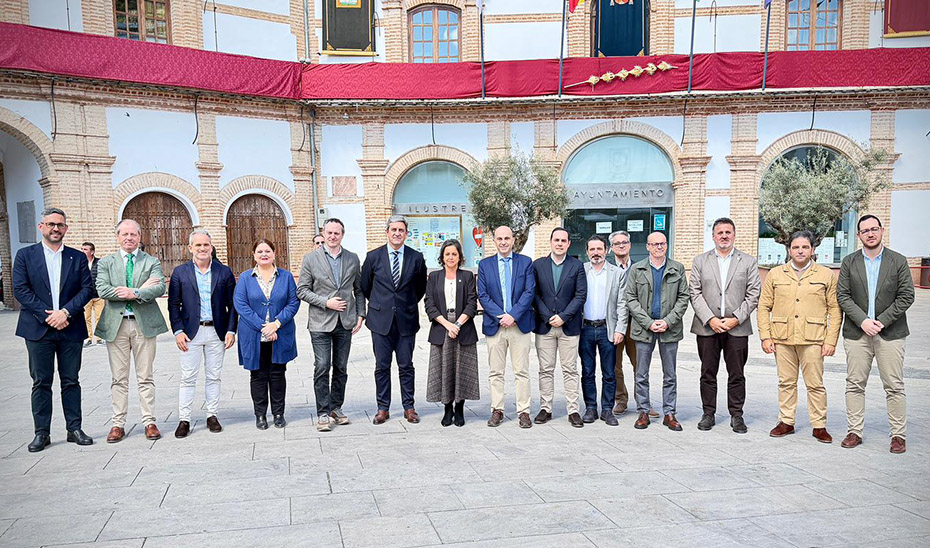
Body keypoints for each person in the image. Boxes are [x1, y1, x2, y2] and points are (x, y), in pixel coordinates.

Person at [14, 208, 95, 452]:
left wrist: (66, 312)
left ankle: (74, 428)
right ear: (41, 227)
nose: (55, 229)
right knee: (41, 382)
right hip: (38, 329)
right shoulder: (25, 256)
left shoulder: (77, 257)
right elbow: (20, 289)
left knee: (71, 380)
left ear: (66, 228)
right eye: (51, 224)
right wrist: (48, 315)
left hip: (70, 327)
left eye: (60, 225)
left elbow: (86, 289)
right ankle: (42, 433)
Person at [837, 215, 914, 454]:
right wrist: (863, 321)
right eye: (865, 231)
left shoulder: (898, 261)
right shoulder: (849, 262)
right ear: (858, 235)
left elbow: (906, 296)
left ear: (881, 231)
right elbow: (843, 296)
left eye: (874, 229)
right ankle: (854, 431)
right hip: (857, 333)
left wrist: (880, 322)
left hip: (890, 333)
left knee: (894, 385)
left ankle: (898, 435)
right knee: (854, 384)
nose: (870, 234)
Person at [758, 230, 841, 444]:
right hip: (782, 338)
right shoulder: (776, 274)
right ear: (789, 250)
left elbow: (834, 309)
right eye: (796, 247)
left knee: (815, 384)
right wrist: (765, 337)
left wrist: (830, 340)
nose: (800, 250)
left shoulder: (825, 275)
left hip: (813, 339)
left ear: (812, 250)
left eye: (805, 247)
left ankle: (819, 425)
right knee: (786, 382)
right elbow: (763, 306)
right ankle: (786, 421)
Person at [96, 219, 167, 443]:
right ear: (118, 236)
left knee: (145, 376)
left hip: (143, 324)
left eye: (133, 234)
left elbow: (159, 287)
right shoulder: (106, 263)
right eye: (124, 234)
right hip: (116, 326)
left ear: (139, 237)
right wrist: (136, 291)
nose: (129, 238)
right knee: (119, 378)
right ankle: (118, 424)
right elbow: (102, 288)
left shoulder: (151, 261)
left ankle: (149, 421)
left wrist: (134, 292)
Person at [689, 218, 761, 434]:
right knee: (708, 372)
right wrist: (710, 319)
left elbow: (754, 293)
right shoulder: (700, 261)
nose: (724, 236)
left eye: (728, 232)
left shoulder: (747, 262)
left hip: (736, 327)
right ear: (713, 236)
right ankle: (708, 413)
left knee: (736, 374)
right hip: (707, 327)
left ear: (734, 235)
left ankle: (737, 415)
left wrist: (736, 318)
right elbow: (695, 292)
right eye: (720, 232)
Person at [167, 230, 238, 438]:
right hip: (190, 334)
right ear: (190, 248)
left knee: (214, 376)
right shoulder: (180, 272)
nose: (202, 249)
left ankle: (212, 415)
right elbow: (173, 304)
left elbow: (233, 305)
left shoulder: (223, 272)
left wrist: (231, 330)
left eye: (206, 245)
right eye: (198, 245)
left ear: (211, 247)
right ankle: (184, 419)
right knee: (188, 377)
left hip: (217, 332)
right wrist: (178, 330)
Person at [297, 218, 365, 432]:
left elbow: (359, 290)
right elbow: (302, 290)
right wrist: (326, 302)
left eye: (337, 233)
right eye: (329, 233)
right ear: (323, 234)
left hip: (345, 322)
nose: (333, 236)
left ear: (342, 235)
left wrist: (360, 314)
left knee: (341, 368)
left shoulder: (353, 258)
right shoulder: (310, 259)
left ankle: (336, 407)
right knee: (322, 366)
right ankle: (323, 412)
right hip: (320, 323)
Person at [361, 215, 428, 424]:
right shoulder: (373, 257)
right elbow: (365, 286)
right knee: (382, 366)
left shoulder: (416, 257)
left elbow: (420, 289)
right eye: (393, 230)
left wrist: (403, 304)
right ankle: (383, 408)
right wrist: (384, 305)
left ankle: (409, 407)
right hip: (380, 321)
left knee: (406, 365)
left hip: (406, 320)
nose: (397, 233)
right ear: (387, 232)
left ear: (406, 234)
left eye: (401, 230)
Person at [625, 231, 689, 431]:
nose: (659, 247)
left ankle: (669, 413)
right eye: (655, 244)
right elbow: (631, 299)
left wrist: (668, 321)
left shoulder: (677, 269)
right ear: (647, 247)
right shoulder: (637, 269)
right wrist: (648, 322)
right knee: (641, 373)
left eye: (662, 243)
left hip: (669, 329)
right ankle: (643, 411)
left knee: (670, 374)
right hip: (644, 329)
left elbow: (683, 297)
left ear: (667, 245)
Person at [234, 239, 299, 429]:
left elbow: (293, 303)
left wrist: (276, 324)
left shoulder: (285, 277)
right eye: (260, 251)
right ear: (254, 255)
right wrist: (264, 327)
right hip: (254, 334)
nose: (264, 254)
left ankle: (278, 413)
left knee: (278, 374)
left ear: (274, 253)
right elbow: (241, 305)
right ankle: (260, 415)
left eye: (268, 251)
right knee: (258, 375)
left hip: (281, 333)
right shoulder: (246, 278)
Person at [477, 226, 536, 428]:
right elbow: (482, 295)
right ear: (494, 240)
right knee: (496, 372)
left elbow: (529, 292)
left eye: (507, 238)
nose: (503, 242)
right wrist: (501, 316)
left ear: (513, 240)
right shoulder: (485, 265)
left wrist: (513, 315)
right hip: (495, 325)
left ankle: (524, 411)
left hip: (519, 325)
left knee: (522, 371)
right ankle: (498, 409)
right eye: (499, 238)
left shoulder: (525, 262)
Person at [532, 228, 586, 427]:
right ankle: (546, 408)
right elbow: (534, 294)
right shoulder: (538, 265)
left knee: (570, 369)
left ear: (569, 243)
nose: (560, 243)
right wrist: (548, 316)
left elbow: (580, 295)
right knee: (545, 369)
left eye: (564, 240)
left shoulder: (577, 266)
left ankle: (573, 410)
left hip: (569, 326)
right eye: (557, 240)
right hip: (544, 327)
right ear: (550, 241)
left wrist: (563, 317)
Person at [424, 239, 480, 427]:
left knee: (462, 371)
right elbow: (429, 305)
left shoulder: (468, 276)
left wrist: (457, 324)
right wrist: (448, 325)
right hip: (442, 329)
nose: (450, 257)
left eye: (454, 254)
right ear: (442, 256)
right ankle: (447, 409)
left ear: (459, 257)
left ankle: (460, 408)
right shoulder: (434, 277)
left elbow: (472, 303)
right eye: (447, 254)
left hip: (463, 329)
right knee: (444, 370)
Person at [580, 235, 626, 427]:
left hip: (608, 328)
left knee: (609, 372)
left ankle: (607, 409)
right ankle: (591, 407)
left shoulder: (617, 273)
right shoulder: (581, 271)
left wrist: (620, 329)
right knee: (587, 371)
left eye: (599, 249)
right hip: (586, 329)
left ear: (606, 250)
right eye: (592, 249)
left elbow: (623, 304)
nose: (596, 253)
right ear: (587, 252)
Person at [609, 230, 651, 416]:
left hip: (637, 324)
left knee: (640, 365)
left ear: (630, 245)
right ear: (611, 248)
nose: (621, 246)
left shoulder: (641, 267)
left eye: (624, 242)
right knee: (615, 365)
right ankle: (621, 399)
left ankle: (644, 403)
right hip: (615, 324)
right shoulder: (607, 268)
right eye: (617, 243)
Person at [81, 241, 105, 347]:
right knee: (87, 318)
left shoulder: (99, 263)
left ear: (92, 252)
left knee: (100, 317)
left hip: (98, 296)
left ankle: (100, 339)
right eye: (82, 249)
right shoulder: (80, 263)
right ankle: (88, 339)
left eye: (85, 249)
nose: (82, 251)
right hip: (85, 296)